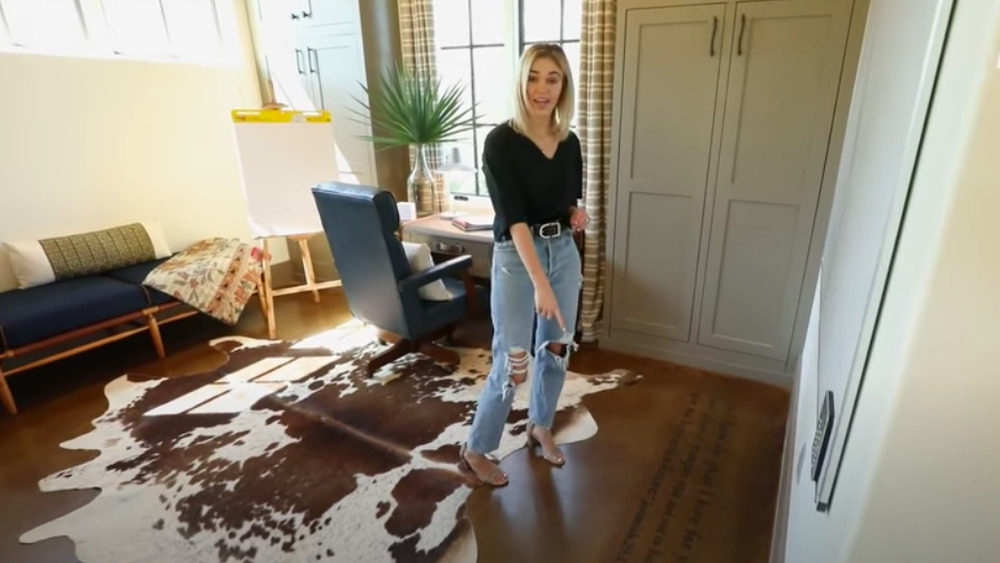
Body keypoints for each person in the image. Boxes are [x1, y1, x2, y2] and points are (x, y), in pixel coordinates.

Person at [460, 43, 588, 487]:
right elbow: (513, 218)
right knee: (514, 358)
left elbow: (570, 201)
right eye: (534, 77)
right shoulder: (501, 142)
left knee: (555, 348)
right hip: (518, 256)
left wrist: (577, 215)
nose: (542, 88)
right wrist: (541, 284)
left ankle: (541, 425)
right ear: (521, 81)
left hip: (563, 251)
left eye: (552, 78)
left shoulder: (570, 142)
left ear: (563, 85)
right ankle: (477, 447)